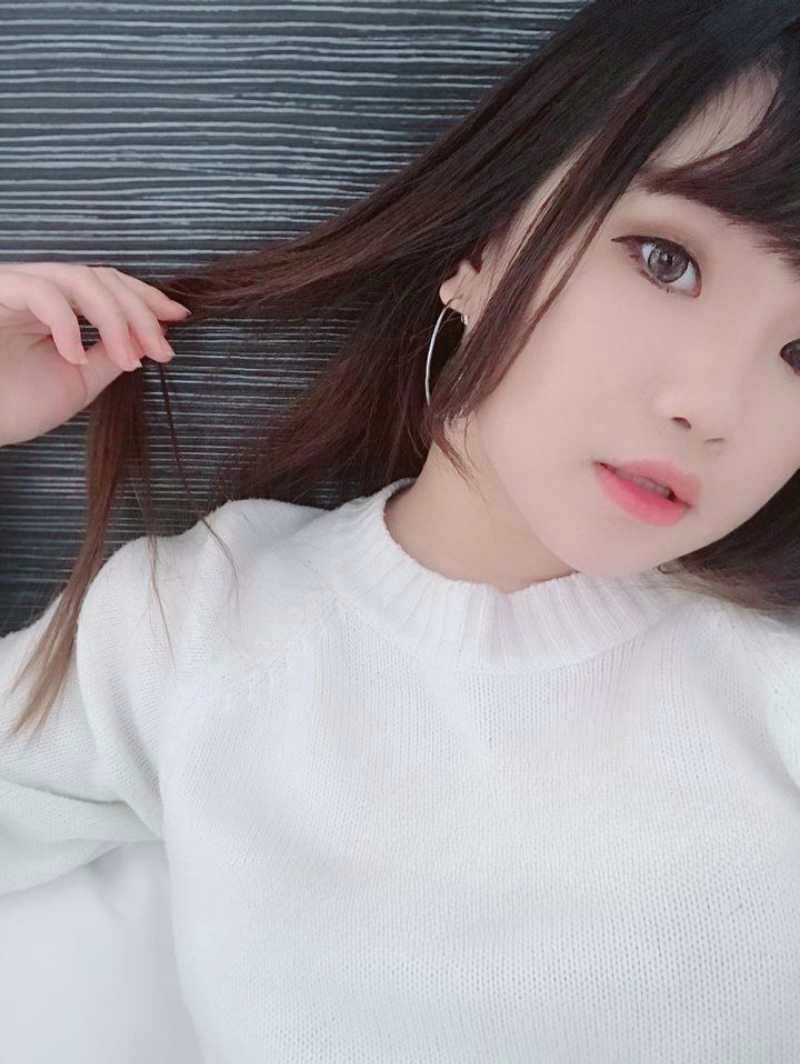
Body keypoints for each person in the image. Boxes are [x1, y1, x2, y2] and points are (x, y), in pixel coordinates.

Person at [2, 0, 800, 1059]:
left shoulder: (772, 676)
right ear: (481, 242)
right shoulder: (191, 624)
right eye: (664, 260)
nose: (713, 406)